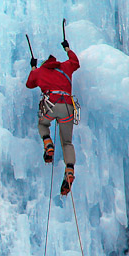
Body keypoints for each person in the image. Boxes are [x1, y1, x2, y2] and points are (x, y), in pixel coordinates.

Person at [26, 39, 80, 195]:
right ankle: (69, 169)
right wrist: (67, 49)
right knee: (67, 142)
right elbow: (75, 62)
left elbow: (30, 84)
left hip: (50, 105)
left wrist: (33, 68)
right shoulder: (65, 66)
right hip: (68, 106)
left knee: (43, 125)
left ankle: (48, 144)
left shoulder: (40, 71)